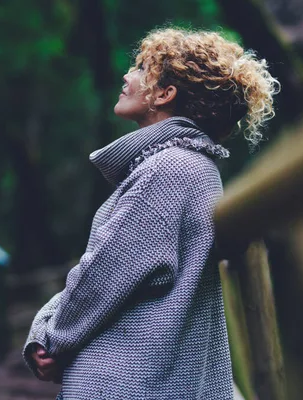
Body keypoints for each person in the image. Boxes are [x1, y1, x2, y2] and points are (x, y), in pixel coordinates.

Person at [23, 27, 279, 399]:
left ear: (165, 94)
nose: (127, 76)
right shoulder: (188, 165)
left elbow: (104, 273)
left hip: (124, 381)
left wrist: (51, 339)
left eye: (142, 68)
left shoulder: (171, 169)